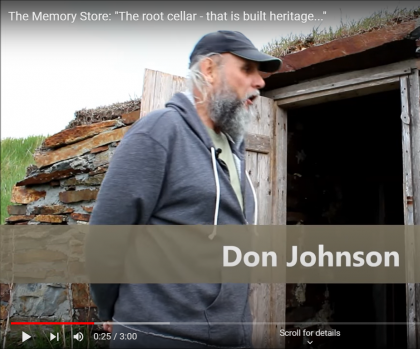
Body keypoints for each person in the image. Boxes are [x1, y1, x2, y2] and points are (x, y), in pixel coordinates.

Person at [88, 30, 282, 348]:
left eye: (259, 74)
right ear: (208, 70)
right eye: (246, 70)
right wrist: (115, 313)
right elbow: (106, 236)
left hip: (230, 337)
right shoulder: (159, 132)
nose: (259, 82)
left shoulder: (233, 150)